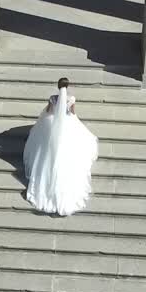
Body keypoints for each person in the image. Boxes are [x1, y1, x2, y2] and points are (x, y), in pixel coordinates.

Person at [22, 78, 99, 216]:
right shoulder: (71, 99)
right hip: (66, 128)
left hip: (52, 128)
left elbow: (49, 111)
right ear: (68, 86)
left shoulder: (52, 98)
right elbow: (72, 114)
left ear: (58, 87)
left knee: (47, 150)